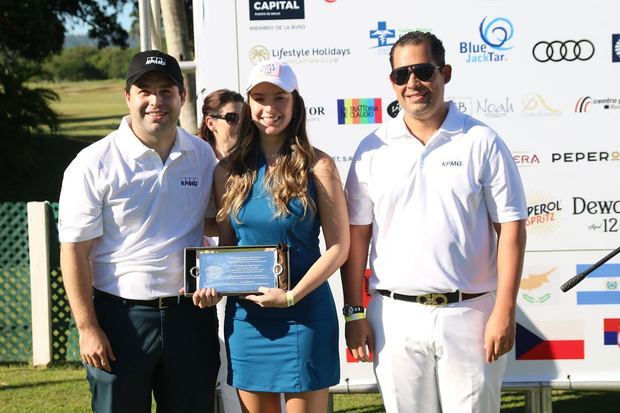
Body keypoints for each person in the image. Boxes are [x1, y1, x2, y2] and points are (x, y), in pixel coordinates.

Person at [341, 31, 527, 412]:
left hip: (472, 314)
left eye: (423, 71)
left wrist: (504, 311)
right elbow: (357, 238)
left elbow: (511, 229)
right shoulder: (372, 148)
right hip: (393, 317)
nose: (413, 83)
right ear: (392, 82)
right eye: (401, 74)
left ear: (445, 73)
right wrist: (355, 312)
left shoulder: (482, 140)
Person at [58, 50, 220, 413]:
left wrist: (220, 276)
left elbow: (216, 224)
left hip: (190, 318)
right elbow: (74, 251)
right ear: (128, 97)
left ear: (183, 96)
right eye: (144, 90)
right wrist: (87, 328)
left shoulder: (202, 155)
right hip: (119, 320)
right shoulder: (93, 162)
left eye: (166, 90)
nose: (155, 101)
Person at [193, 60, 349, 413]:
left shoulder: (318, 166)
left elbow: (339, 247)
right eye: (260, 98)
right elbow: (230, 249)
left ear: (295, 103)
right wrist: (212, 286)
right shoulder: (227, 170)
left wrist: (291, 297)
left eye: (279, 97)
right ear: (249, 105)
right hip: (248, 321)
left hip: (304, 315)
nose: (269, 108)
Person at [198, 88, 244, 413]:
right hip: (203, 279)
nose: (239, 123)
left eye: (243, 117)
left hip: (242, 274)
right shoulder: (196, 160)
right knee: (214, 371)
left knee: (234, 367)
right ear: (210, 122)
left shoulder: (252, 161)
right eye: (230, 117)